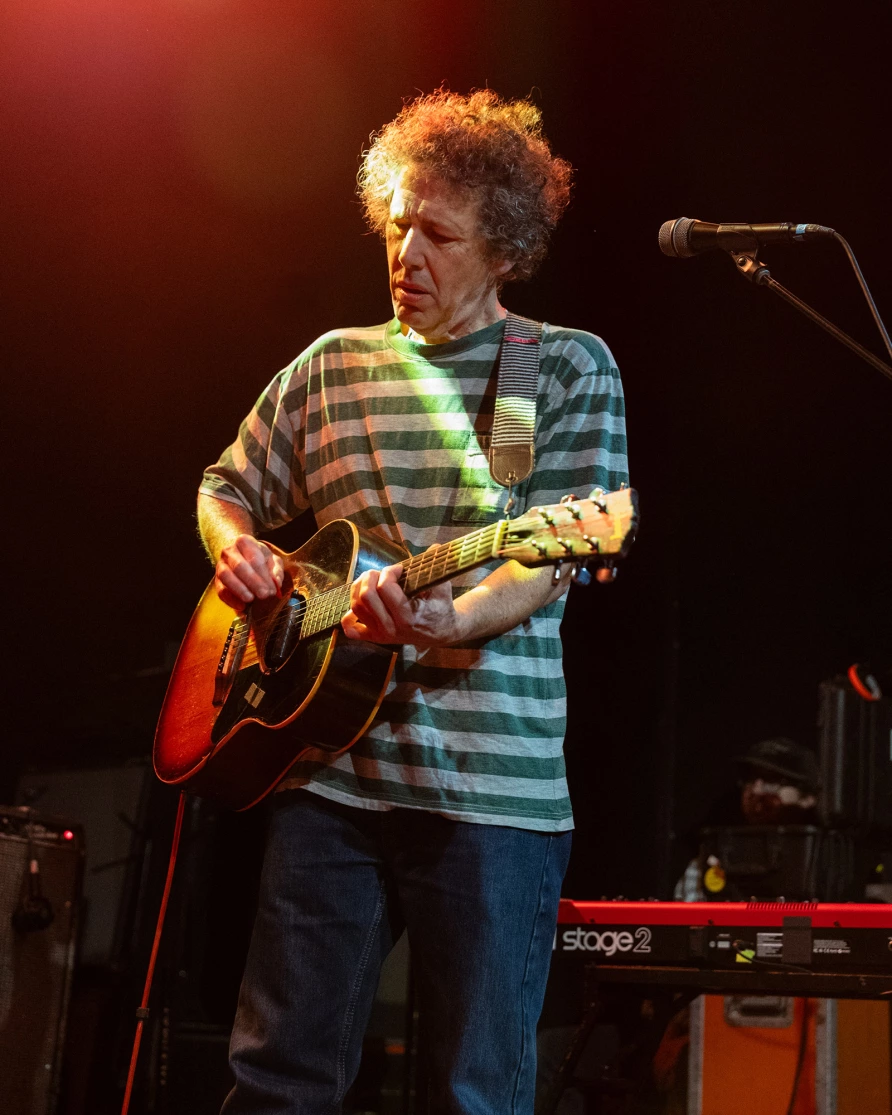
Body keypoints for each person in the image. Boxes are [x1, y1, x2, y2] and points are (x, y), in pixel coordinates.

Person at [197, 89, 628, 1115]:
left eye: (438, 233)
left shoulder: (560, 366)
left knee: (471, 1093)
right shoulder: (328, 367)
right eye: (397, 223)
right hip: (327, 778)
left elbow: (546, 558)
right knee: (275, 1080)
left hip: (491, 794)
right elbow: (226, 485)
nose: (406, 251)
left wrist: (451, 618)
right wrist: (241, 552)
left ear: (505, 248)